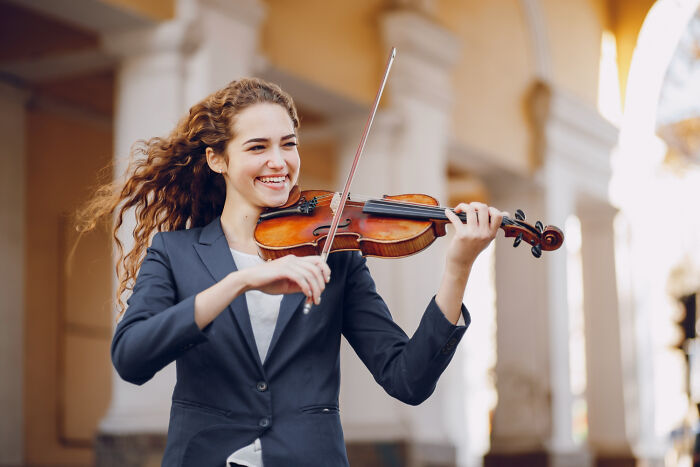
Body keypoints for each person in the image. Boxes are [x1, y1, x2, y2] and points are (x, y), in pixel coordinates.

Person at [77, 78, 504, 466]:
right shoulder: (175, 253)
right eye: (258, 147)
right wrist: (239, 282)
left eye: (289, 144)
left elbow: (407, 380)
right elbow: (131, 358)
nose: (279, 162)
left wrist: (458, 268)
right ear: (217, 159)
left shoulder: (335, 251)